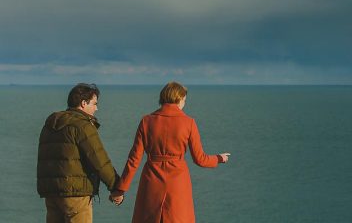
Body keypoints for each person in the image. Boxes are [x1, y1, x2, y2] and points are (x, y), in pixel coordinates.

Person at [111, 81, 230, 223]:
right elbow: (200, 159)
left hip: (151, 181)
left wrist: (121, 189)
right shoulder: (189, 122)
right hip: (178, 183)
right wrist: (219, 158)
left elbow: (134, 159)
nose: (184, 104)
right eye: (184, 100)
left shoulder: (146, 121)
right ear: (178, 99)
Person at [37, 82, 122, 223]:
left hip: (52, 193)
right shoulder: (83, 125)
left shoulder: (50, 124)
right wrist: (116, 187)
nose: (97, 108)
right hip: (76, 195)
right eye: (94, 104)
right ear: (83, 103)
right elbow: (99, 159)